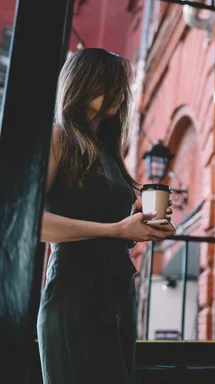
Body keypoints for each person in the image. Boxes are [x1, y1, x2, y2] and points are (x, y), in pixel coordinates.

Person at [37, 48, 174, 384]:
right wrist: (116, 229)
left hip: (116, 295)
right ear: (83, 83)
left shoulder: (108, 153)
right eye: (111, 83)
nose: (120, 92)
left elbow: (109, 228)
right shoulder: (58, 137)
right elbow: (32, 224)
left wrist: (138, 226)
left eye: (122, 85)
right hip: (75, 294)